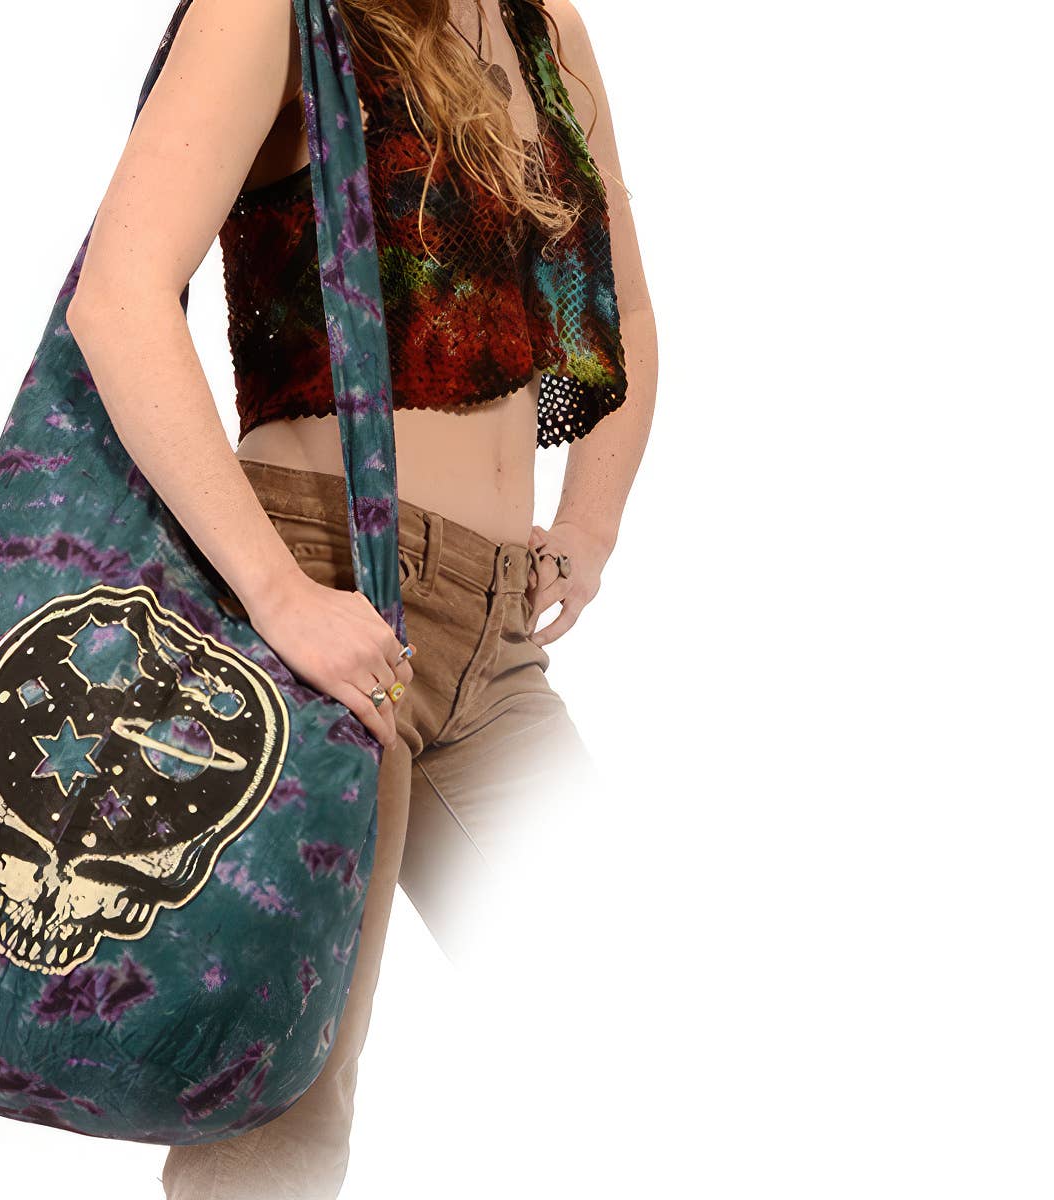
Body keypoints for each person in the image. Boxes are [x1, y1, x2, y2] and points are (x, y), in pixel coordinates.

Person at [66, 0, 656, 1194]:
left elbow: (625, 312)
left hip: (492, 637)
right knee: (284, 1105)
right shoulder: (275, 10)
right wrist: (279, 596)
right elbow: (115, 299)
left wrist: (589, 522)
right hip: (320, 598)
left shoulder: (540, 26)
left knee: (628, 1025)